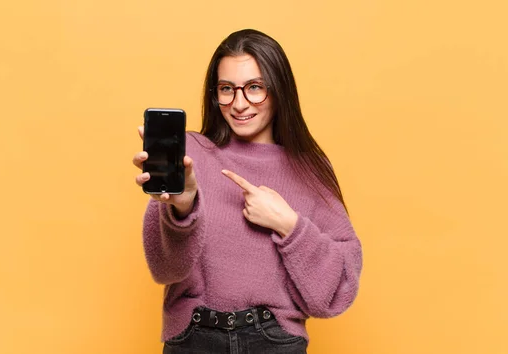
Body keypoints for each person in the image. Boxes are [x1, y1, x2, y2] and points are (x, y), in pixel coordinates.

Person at [133, 28, 363, 354]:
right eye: (227, 89)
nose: (239, 104)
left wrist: (289, 225)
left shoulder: (309, 168)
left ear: (279, 89)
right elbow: (165, 270)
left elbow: (336, 293)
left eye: (254, 87)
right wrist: (182, 210)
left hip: (274, 341)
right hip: (194, 339)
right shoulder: (189, 156)